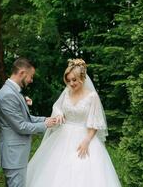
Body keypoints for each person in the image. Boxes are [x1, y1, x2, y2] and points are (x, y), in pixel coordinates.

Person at [27, 59, 122, 187]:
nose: (71, 83)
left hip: (84, 138)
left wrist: (87, 141)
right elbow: (57, 106)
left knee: (82, 170)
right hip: (63, 136)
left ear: (82, 78)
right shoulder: (66, 92)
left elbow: (96, 122)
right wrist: (59, 113)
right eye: (68, 80)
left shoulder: (92, 96)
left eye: (74, 80)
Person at [0, 57, 58, 187]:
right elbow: (21, 126)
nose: (31, 80)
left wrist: (45, 119)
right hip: (14, 157)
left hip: (16, 156)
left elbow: (25, 118)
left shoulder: (14, 92)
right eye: (31, 76)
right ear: (22, 73)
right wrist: (45, 125)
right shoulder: (8, 95)